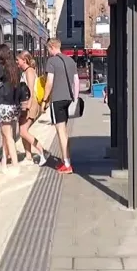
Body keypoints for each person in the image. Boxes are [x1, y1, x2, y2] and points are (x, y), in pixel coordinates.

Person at [41, 38, 79, 174]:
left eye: (48, 49)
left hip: (57, 99)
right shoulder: (71, 61)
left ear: (52, 47)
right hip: (68, 99)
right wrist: (74, 97)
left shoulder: (52, 61)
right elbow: (76, 81)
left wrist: (45, 100)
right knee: (65, 132)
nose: (48, 52)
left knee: (61, 132)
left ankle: (67, 164)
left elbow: (49, 82)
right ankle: (66, 159)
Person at [0, 44, 21, 173]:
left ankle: (15, 164)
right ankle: (3, 162)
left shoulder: (0, 67)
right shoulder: (14, 68)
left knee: (7, 136)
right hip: (13, 105)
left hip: (4, 105)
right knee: (5, 133)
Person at [16, 50, 46, 165]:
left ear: (24, 60)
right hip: (27, 103)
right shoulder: (26, 71)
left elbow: (31, 90)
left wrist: (28, 105)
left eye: (18, 60)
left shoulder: (29, 72)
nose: (17, 63)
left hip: (30, 103)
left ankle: (42, 150)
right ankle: (28, 156)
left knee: (23, 131)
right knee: (23, 129)